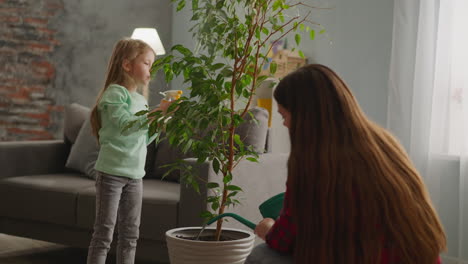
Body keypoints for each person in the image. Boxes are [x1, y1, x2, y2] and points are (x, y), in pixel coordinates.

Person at [247, 64, 446, 264]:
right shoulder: (386, 144)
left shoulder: (310, 163)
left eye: (284, 116)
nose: (285, 124)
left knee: (261, 255)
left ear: (304, 117)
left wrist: (268, 227)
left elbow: (282, 240)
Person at [87, 38, 171, 264]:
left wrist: (160, 119)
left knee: (131, 235)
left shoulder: (141, 101)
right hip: (111, 174)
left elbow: (142, 138)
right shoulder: (115, 94)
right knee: (104, 233)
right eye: (146, 63)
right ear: (127, 65)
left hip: (135, 176)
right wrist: (156, 113)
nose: (150, 70)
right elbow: (125, 125)